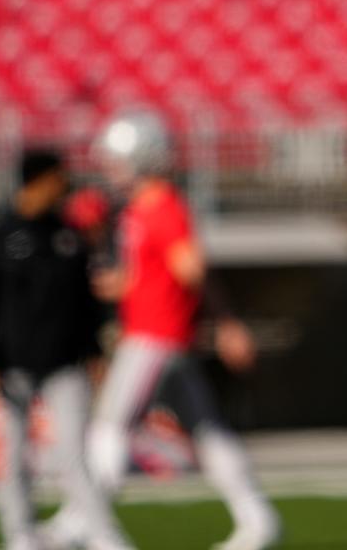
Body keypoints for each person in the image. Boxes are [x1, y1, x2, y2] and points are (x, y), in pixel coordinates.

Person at [86, 112, 280, 550]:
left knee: (110, 425)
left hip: (156, 336)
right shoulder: (140, 209)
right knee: (208, 430)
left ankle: (90, 522)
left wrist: (226, 322)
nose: (112, 170)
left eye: (118, 161)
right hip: (160, 335)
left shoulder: (162, 206)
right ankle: (257, 515)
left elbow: (191, 269)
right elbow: (150, 274)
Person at [0, 150, 132, 550]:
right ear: (39, 180)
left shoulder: (67, 233)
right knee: (16, 456)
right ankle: (20, 533)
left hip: (65, 363)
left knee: (74, 455)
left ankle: (102, 535)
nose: (65, 187)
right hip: (15, 365)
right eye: (58, 178)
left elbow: (86, 301)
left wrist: (94, 351)